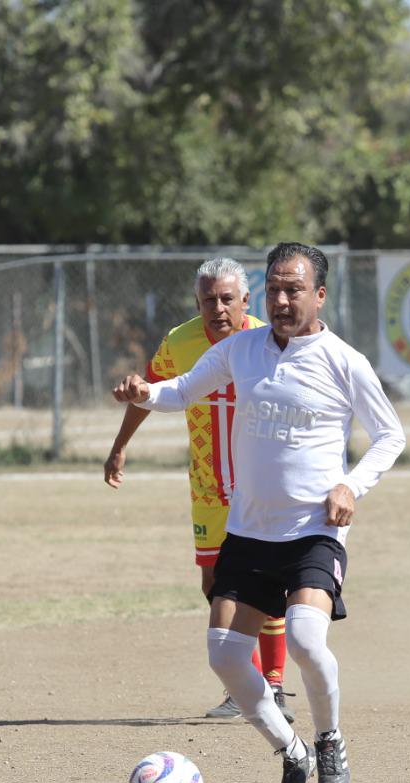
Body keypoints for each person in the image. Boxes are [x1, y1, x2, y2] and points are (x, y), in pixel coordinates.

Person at [113, 242, 406, 783]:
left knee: (303, 639)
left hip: (313, 529)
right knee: (223, 653)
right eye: (273, 288)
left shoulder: (344, 360)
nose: (280, 298)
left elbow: (390, 435)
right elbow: (182, 390)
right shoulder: (241, 349)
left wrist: (351, 485)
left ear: (319, 295)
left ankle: (328, 739)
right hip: (249, 530)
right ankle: (291, 751)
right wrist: (146, 393)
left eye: (293, 289)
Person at [104, 257, 292, 721]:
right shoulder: (180, 342)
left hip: (257, 485)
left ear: (246, 301)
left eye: (227, 298)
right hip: (208, 487)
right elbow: (151, 390)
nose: (218, 307)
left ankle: (273, 687)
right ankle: (241, 687)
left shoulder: (269, 342)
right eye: (209, 299)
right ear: (197, 302)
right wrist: (120, 446)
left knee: (265, 585)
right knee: (214, 584)